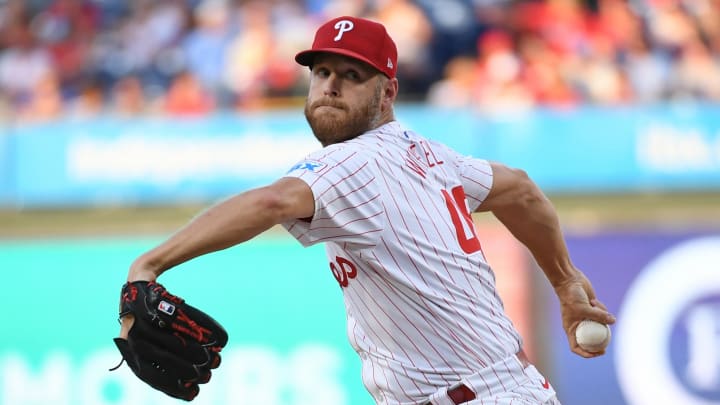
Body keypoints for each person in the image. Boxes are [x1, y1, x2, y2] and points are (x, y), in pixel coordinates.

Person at [119, 16, 616, 405]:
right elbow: (522, 191)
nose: (331, 86)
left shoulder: (352, 161)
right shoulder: (433, 156)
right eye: (322, 72)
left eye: (353, 76)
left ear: (389, 93)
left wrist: (149, 265)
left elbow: (271, 201)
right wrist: (565, 282)